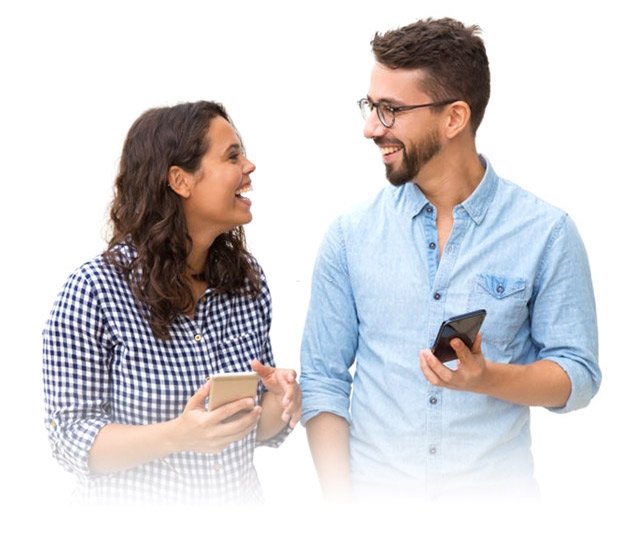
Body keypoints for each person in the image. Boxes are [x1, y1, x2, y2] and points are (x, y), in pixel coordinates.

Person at [300, 17, 601, 502]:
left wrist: (488, 378)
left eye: (391, 110)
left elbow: (578, 375)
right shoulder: (349, 236)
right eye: (371, 106)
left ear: (454, 118)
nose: (371, 128)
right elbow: (323, 380)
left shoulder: (547, 233)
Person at [43, 100, 301, 505]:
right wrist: (177, 436)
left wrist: (281, 400)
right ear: (180, 181)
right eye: (232, 156)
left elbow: (249, 429)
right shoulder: (94, 290)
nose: (249, 167)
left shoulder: (246, 281)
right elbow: (71, 439)